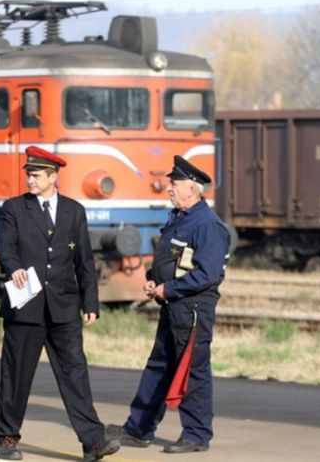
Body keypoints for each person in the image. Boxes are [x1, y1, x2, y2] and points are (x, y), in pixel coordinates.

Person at [0, 145, 121, 461]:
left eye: (36, 175)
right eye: (28, 174)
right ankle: (7, 438)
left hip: (64, 308)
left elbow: (84, 261)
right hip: (26, 308)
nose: (30, 180)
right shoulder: (14, 209)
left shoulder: (74, 211)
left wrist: (90, 302)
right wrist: (14, 268)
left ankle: (93, 442)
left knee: (75, 374)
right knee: (17, 374)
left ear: (53, 176)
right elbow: (5, 247)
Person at [106, 155, 230, 454]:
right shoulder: (180, 217)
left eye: (174, 184)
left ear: (192, 188)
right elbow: (170, 260)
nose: (168, 189)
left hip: (192, 309)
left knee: (192, 370)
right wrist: (152, 279)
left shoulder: (207, 225)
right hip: (174, 304)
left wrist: (168, 288)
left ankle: (197, 435)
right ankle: (139, 428)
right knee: (159, 366)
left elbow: (208, 274)